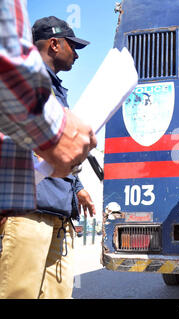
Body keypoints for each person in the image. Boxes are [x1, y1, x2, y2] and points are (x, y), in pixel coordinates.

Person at [0, 15, 96, 299]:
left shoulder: (54, 89)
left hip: (57, 215)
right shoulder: (24, 83)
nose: (76, 54)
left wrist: (77, 188)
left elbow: (55, 149)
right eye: (72, 46)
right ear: (54, 44)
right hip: (27, 213)